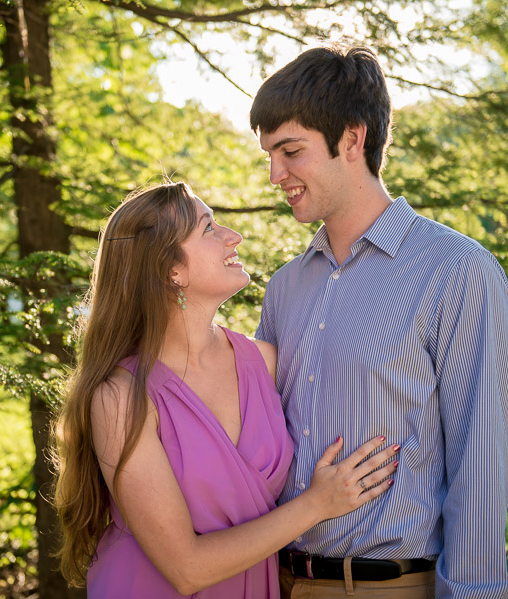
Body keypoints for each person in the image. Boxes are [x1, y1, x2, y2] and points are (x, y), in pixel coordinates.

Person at [249, 44, 508, 599]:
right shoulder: (283, 287)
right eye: (269, 155)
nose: (275, 175)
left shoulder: (458, 270)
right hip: (277, 582)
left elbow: (479, 468)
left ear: (352, 138)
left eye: (291, 151)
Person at [52, 181, 400, 598]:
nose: (233, 237)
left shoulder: (264, 362)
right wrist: (318, 504)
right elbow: (186, 568)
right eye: (208, 228)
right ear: (171, 270)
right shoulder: (120, 398)